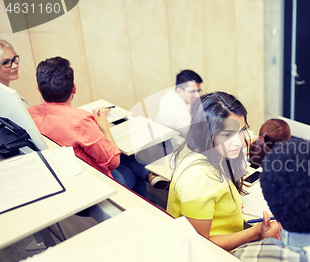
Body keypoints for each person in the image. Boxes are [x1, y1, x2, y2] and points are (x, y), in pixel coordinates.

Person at [28, 56, 167, 197]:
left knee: (128, 157)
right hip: (94, 186)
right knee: (128, 163)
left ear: (39, 89)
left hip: (63, 179)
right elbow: (113, 161)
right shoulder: (80, 120)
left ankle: (150, 175)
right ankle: (144, 197)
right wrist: (103, 126)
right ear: (74, 88)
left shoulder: (29, 114)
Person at [166, 92, 281, 251]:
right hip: (219, 258)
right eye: (227, 135)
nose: (239, 142)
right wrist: (256, 232)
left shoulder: (201, 150)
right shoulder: (198, 177)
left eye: (241, 131)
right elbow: (199, 245)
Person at [156, 69, 203, 138]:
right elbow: (195, 136)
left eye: (198, 91)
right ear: (179, 90)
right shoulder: (177, 107)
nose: (197, 95)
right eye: (193, 91)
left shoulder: (171, 94)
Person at [0, 39, 30, 107]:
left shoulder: (8, 94)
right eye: (6, 62)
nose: (15, 65)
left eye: (14, 59)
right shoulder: (4, 100)